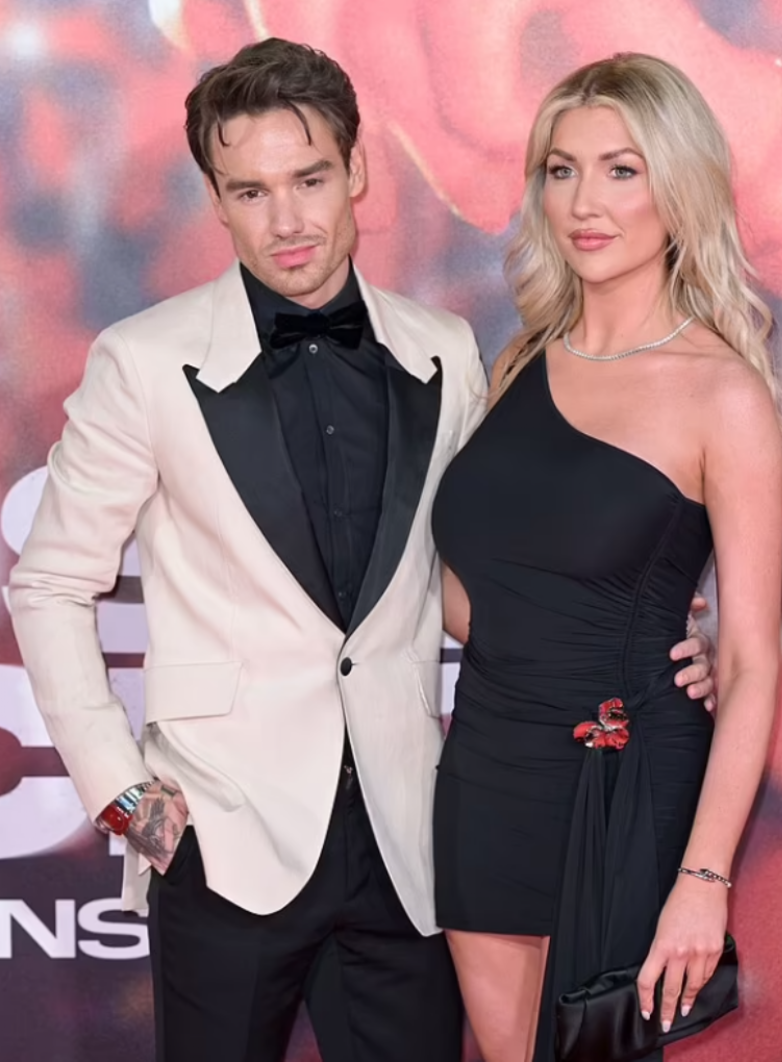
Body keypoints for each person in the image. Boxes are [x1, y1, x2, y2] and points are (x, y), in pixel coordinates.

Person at [9, 40, 713, 1062]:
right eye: (250, 191)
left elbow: (489, 568)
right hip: (225, 837)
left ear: (358, 171)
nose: (286, 220)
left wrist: (646, 634)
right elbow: (48, 582)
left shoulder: (444, 349)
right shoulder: (144, 362)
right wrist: (121, 793)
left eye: (309, 180)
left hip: (408, 841)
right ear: (216, 200)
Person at [431, 52, 782, 1062]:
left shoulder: (723, 394)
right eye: (562, 169)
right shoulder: (516, 361)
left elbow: (750, 662)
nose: (584, 201)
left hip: (623, 780)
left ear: (677, 188)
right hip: (486, 769)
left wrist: (703, 880)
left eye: (621, 170)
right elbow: (472, 596)